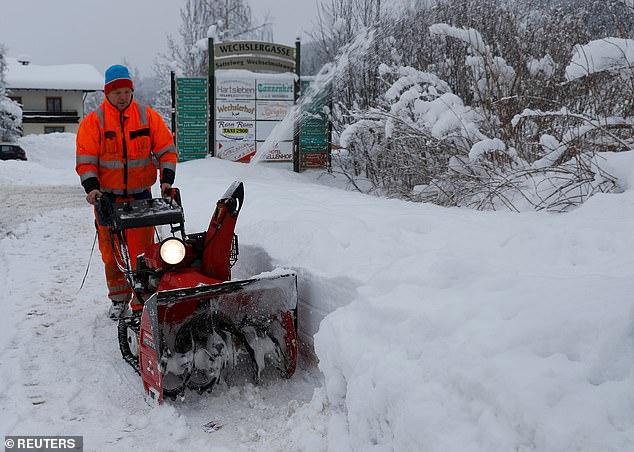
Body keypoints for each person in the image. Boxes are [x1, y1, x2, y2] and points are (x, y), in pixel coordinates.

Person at [76, 64, 177, 319]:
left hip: (141, 197)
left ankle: (144, 299)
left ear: (131, 90)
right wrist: (92, 188)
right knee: (112, 255)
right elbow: (86, 161)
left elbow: (166, 150)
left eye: (125, 91)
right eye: (116, 92)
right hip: (107, 199)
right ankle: (119, 299)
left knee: (143, 254)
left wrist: (166, 179)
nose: (122, 96)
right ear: (106, 94)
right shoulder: (94, 123)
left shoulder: (148, 117)